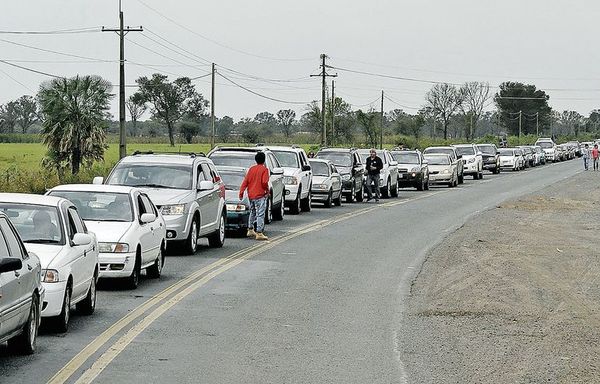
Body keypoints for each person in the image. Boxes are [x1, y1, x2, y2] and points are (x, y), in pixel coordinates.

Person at [239, 152, 270, 241]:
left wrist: (241, 192)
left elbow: (246, 181)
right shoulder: (264, 170)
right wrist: (266, 190)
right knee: (260, 213)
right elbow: (264, 182)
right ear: (264, 160)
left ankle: (250, 229)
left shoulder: (251, 169)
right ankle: (259, 232)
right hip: (260, 194)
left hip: (251, 194)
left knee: (252, 211)